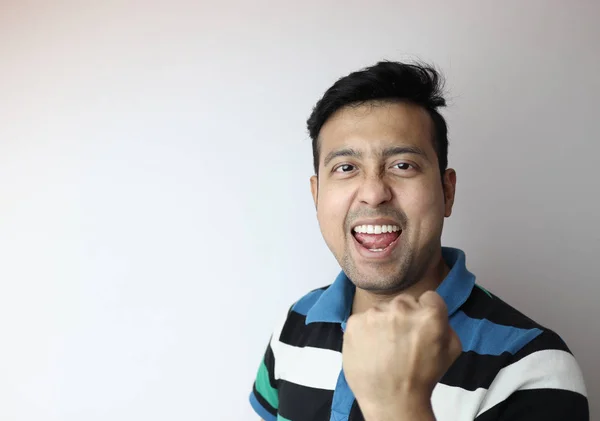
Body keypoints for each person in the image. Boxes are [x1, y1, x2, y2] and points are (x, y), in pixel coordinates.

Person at [248, 61, 589, 421]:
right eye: (346, 167)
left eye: (403, 165)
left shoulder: (532, 367)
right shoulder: (295, 325)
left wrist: (399, 404)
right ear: (316, 196)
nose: (374, 192)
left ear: (447, 191)